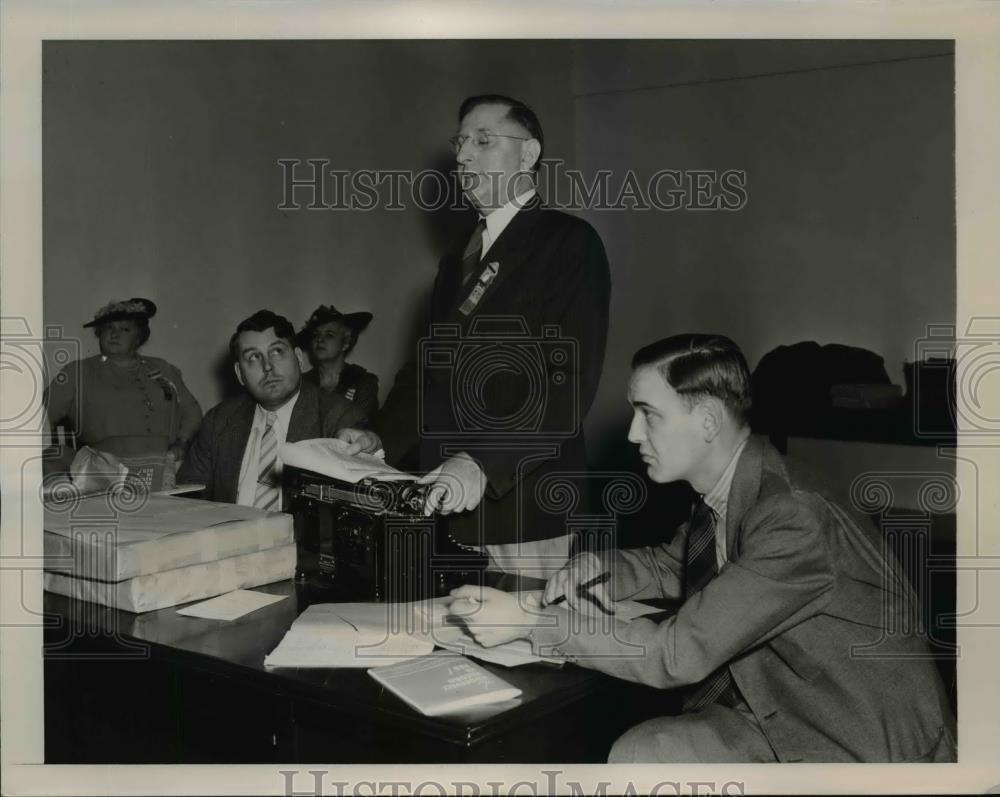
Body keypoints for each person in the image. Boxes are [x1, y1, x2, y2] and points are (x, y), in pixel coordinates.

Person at [447, 334, 956, 763]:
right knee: (642, 755)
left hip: (861, 742)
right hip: (777, 708)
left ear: (708, 421)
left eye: (649, 414)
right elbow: (672, 565)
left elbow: (678, 653)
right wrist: (595, 567)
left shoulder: (792, 518)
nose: (632, 432)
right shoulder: (733, 490)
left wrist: (531, 623)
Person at [340, 94, 611, 567]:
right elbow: (428, 371)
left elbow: (565, 386)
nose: (463, 155)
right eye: (461, 142)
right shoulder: (455, 262)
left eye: (483, 141)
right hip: (448, 504)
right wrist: (379, 438)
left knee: (524, 640)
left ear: (528, 155)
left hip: (525, 508)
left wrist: (482, 461)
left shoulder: (568, 242)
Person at [177, 310, 366, 509]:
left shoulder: (339, 418)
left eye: (277, 352)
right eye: (253, 357)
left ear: (299, 359)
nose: (267, 366)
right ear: (240, 374)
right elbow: (188, 501)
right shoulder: (218, 421)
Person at [45, 297, 202, 461]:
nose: (114, 334)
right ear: (99, 333)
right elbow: (39, 416)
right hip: (105, 469)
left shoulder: (162, 368)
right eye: (108, 328)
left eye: (125, 329)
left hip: (165, 464)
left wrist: (182, 443)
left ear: (140, 337)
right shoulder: (78, 372)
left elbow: (192, 411)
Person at [298, 304, 379, 423]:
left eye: (329, 335)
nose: (319, 339)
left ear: (345, 343)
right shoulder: (301, 384)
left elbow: (360, 425)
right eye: (315, 335)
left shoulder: (363, 381)